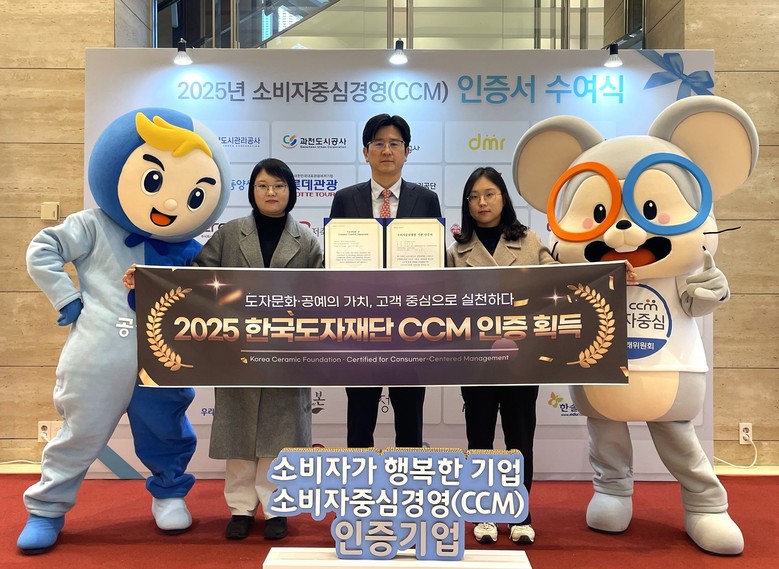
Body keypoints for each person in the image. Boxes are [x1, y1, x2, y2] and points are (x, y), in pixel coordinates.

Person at [19, 108, 231, 554]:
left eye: (193, 194)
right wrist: (67, 299)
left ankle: (169, 494)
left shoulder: (191, 250)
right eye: (154, 181)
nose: (170, 204)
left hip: (163, 360)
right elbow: (43, 248)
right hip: (99, 354)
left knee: (166, 429)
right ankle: (46, 508)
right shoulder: (92, 225)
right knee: (80, 432)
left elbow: (211, 296)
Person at [193, 158, 322, 540]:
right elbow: (198, 277)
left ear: (291, 192)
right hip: (238, 349)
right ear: (252, 190)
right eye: (263, 185)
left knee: (279, 438)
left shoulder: (307, 240)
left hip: (287, 353)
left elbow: (324, 292)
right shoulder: (230, 234)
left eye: (279, 186)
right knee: (240, 435)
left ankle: (277, 509)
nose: (271, 192)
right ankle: (241, 509)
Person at [446, 166, 555, 546]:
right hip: (476, 361)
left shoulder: (529, 241)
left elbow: (562, 280)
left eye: (489, 194)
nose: (482, 203)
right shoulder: (456, 252)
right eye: (474, 197)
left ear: (503, 198)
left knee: (519, 438)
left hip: (522, 359)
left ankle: (520, 513)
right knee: (479, 439)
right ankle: (483, 513)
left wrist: (609, 274)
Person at [328, 113, 442, 448]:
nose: (387, 151)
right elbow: (335, 265)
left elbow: (435, 267)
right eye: (378, 144)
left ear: (407, 151)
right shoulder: (345, 200)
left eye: (395, 143)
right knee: (360, 421)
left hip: (411, 327)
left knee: (410, 421)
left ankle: (409, 479)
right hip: (361, 326)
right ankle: (358, 479)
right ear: (366, 152)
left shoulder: (427, 200)